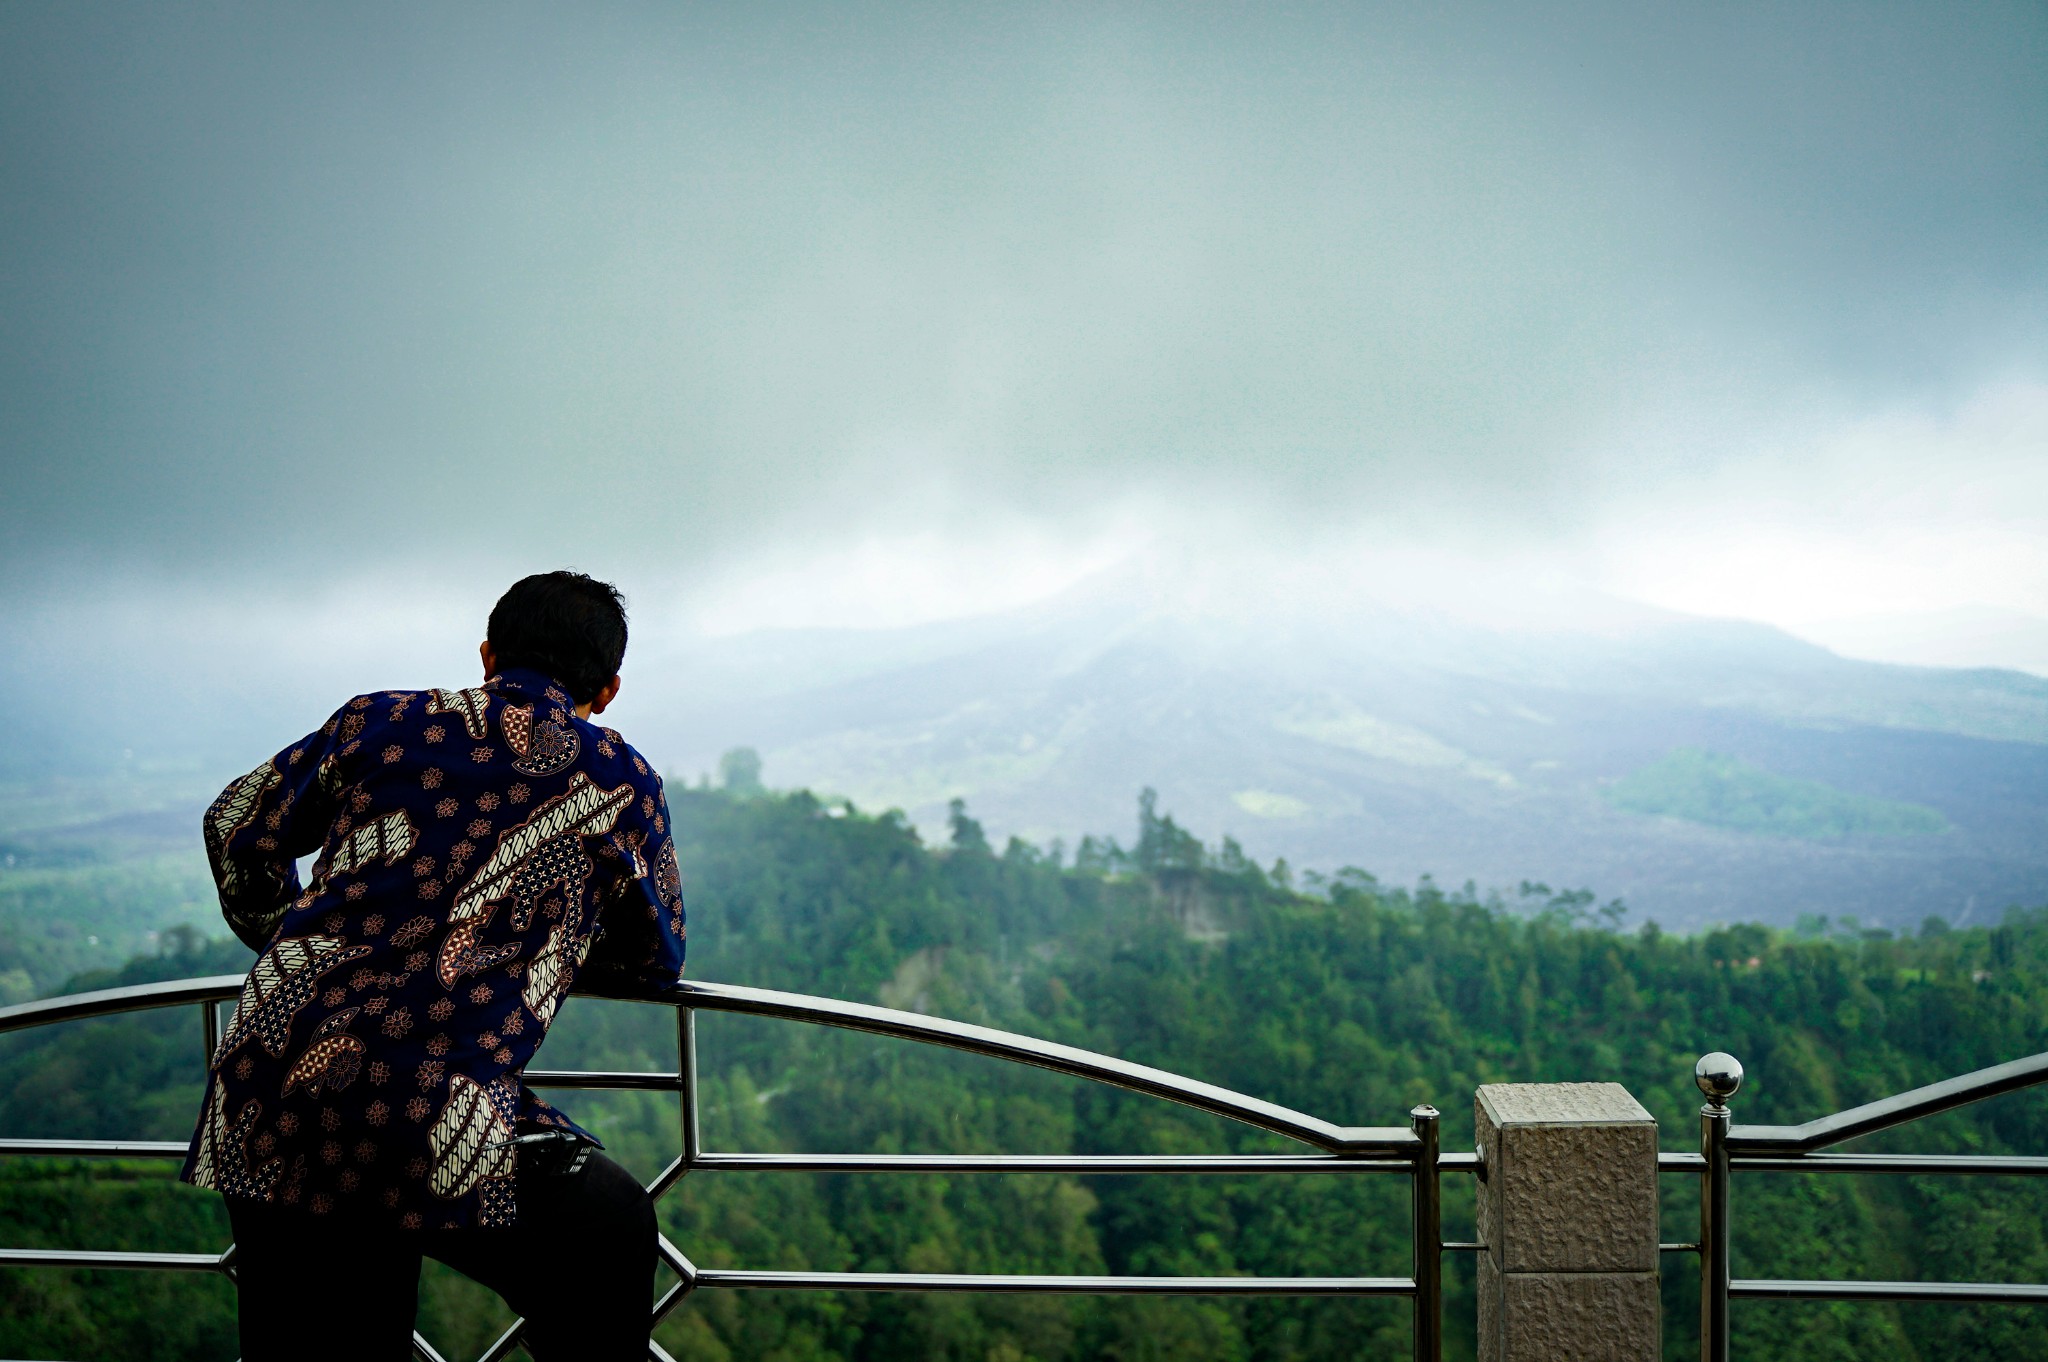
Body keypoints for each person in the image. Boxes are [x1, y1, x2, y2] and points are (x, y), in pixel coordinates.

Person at [182, 571, 687, 1361]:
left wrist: (296, 947)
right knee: (604, 1228)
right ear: (610, 688)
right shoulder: (620, 778)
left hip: (271, 1086)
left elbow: (237, 824)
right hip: (427, 1103)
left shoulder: (378, 720)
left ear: (487, 654)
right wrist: (546, 946)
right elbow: (656, 955)